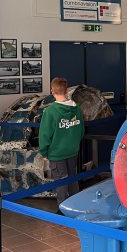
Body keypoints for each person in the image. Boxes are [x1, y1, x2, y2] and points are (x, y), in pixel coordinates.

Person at [39, 77, 84, 208]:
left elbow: (45, 134)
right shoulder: (77, 109)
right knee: (72, 179)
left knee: (61, 181)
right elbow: (81, 131)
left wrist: (44, 151)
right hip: (73, 150)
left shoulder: (50, 111)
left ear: (52, 91)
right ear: (66, 90)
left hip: (57, 153)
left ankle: (63, 209)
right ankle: (76, 206)